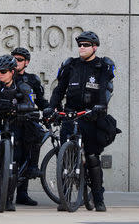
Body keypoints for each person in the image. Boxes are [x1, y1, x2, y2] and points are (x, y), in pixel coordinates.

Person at [44, 31, 115, 212]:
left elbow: (104, 90)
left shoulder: (102, 66)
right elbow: (59, 90)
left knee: (91, 157)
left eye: (85, 45)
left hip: (91, 116)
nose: (81, 48)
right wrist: (52, 108)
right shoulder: (71, 65)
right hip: (70, 115)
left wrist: (100, 106)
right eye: (80, 45)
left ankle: (98, 198)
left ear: (94, 47)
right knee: (66, 158)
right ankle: (65, 198)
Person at [0, 54, 35, 211]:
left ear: (12, 71)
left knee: (15, 161)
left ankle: (9, 199)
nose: (0, 74)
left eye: (3, 71)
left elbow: (31, 104)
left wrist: (17, 108)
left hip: (14, 123)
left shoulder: (22, 86)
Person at [11, 47, 49, 206]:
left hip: (28, 123)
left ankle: (22, 194)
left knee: (26, 155)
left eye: (19, 60)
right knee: (14, 157)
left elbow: (40, 100)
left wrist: (49, 110)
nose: (16, 62)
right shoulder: (5, 76)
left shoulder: (32, 79)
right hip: (11, 122)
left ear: (26, 62)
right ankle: (3, 192)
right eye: (13, 59)